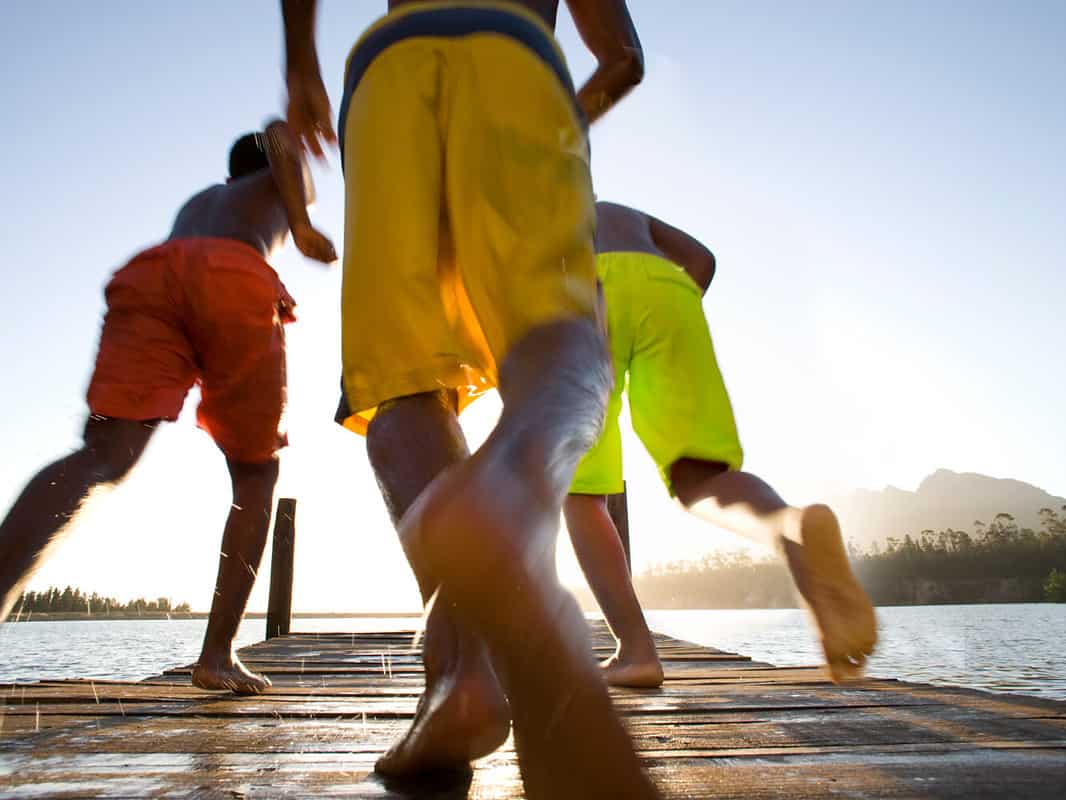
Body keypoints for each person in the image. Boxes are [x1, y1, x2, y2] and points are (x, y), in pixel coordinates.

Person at [280, 1, 660, 796]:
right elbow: (623, 55)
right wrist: (562, 125)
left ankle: (461, 677)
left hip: (386, 66)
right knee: (562, 342)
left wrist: (301, 65)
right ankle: (513, 479)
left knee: (404, 385)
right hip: (517, 54)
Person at [0, 121, 337, 750]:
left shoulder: (202, 202)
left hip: (153, 275)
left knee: (103, 456)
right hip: (232, 277)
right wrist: (299, 223)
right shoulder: (271, 184)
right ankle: (216, 655)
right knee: (256, 474)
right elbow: (280, 136)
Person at [564, 201, 878, 689]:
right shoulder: (618, 212)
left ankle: (636, 651)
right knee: (701, 477)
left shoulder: (541, 210)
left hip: (581, 294)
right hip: (667, 291)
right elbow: (702, 259)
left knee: (581, 494)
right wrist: (668, 309)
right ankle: (788, 527)